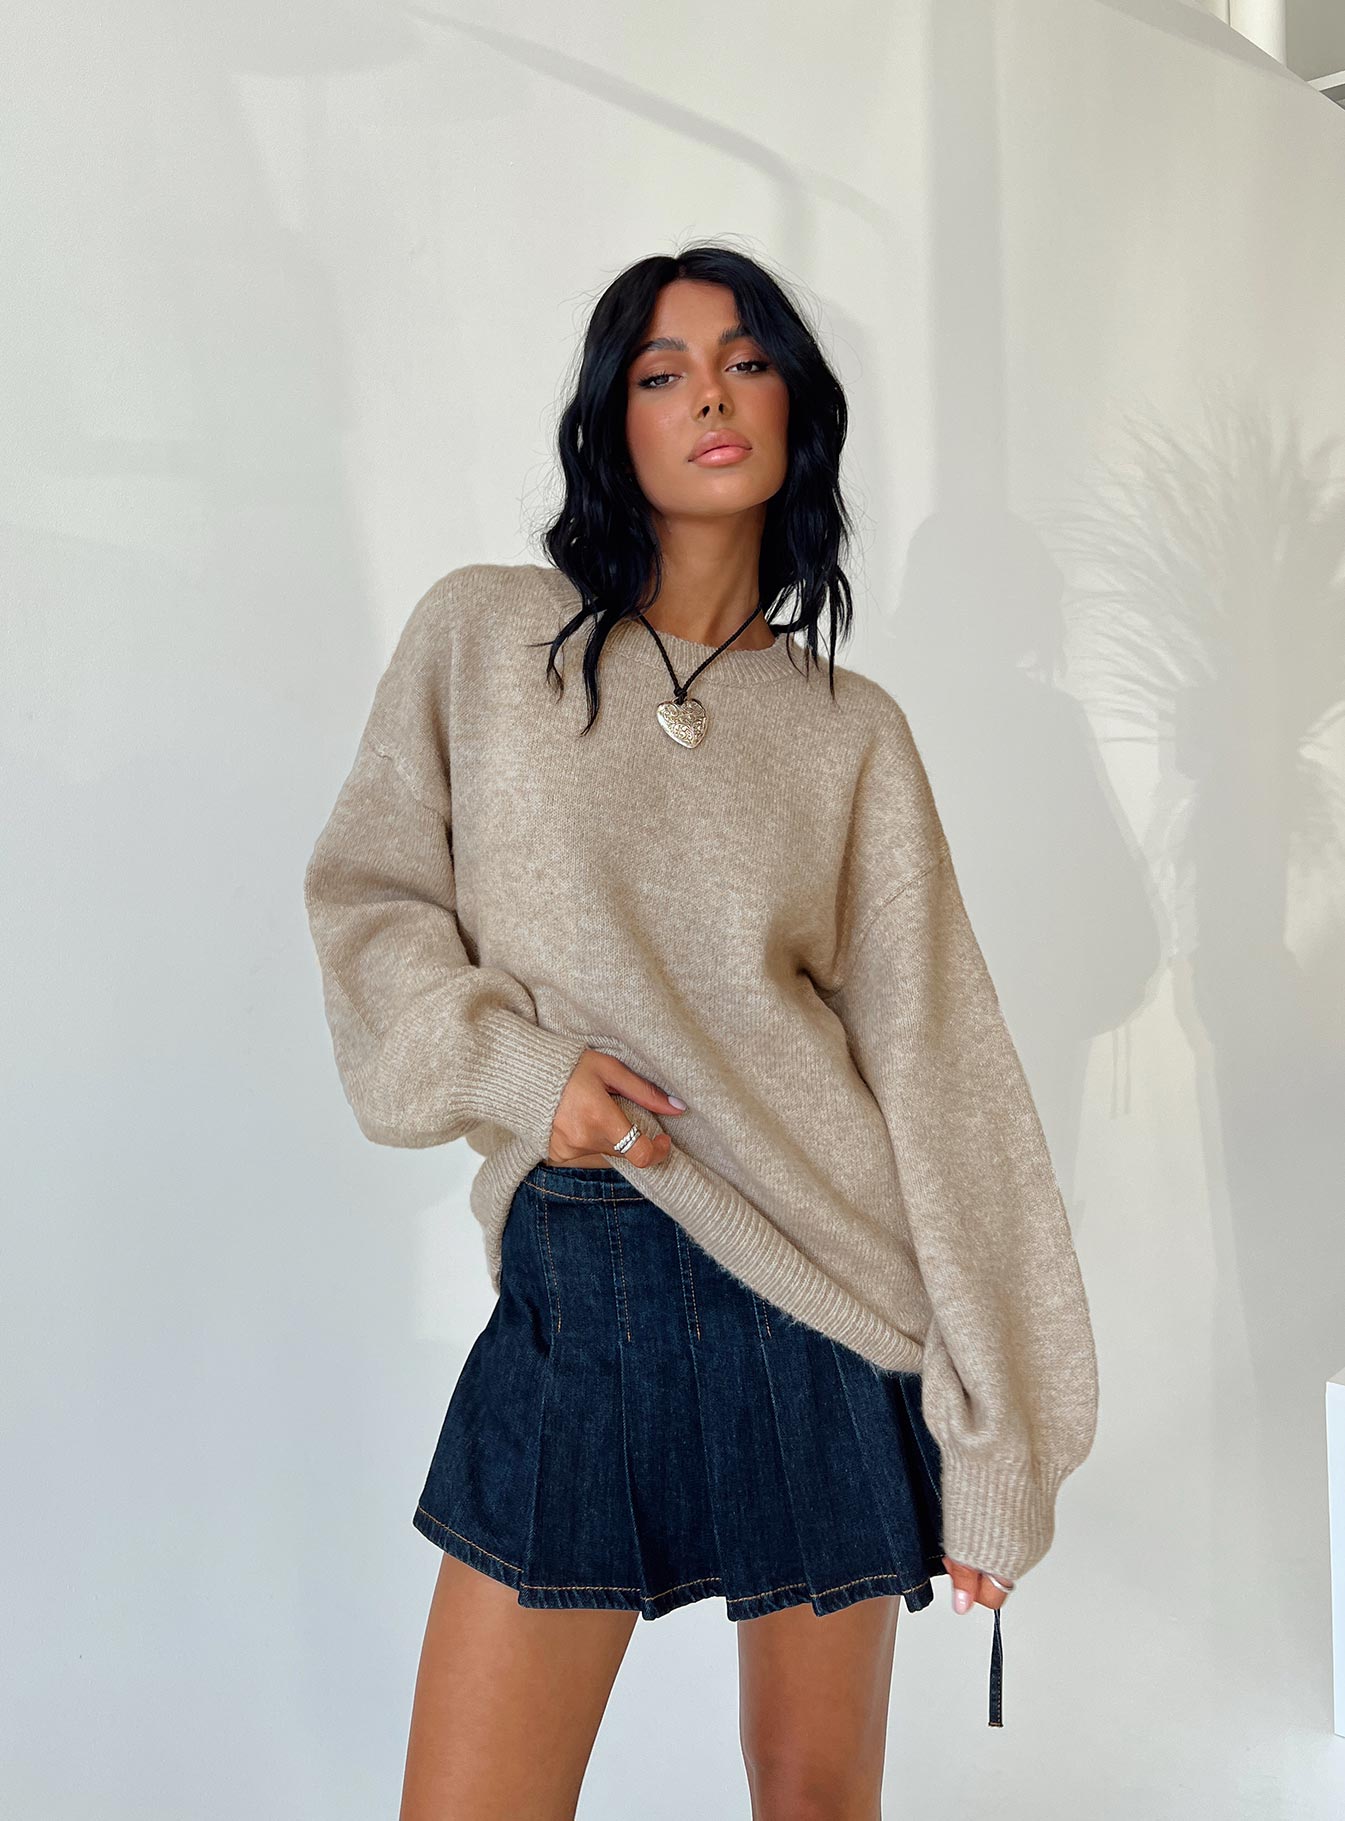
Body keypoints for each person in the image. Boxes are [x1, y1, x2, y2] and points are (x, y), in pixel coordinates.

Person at [302, 243, 1099, 1819]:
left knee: (814, 1799)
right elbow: (371, 903)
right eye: (662, 373)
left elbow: (943, 1070)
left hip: (823, 1295)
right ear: (614, 420)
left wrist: (1002, 1439)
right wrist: (522, 1073)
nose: (710, 398)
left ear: (795, 406)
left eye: (744, 362)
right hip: (585, 1264)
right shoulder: (486, 637)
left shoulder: (848, 734)